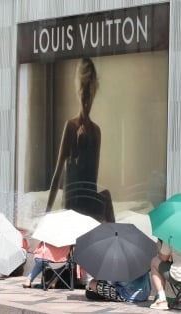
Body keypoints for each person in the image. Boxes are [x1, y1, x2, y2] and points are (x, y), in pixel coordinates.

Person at [45, 58, 115, 223]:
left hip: (87, 196)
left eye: (89, 97)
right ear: (78, 94)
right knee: (103, 199)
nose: (86, 102)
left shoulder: (96, 131)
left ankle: (114, 238)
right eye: (84, 96)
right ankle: (112, 238)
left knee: (106, 197)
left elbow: (93, 178)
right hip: (73, 199)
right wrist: (47, 211)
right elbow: (58, 174)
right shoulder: (70, 126)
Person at [149, 239, 181, 310]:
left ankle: (162, 299)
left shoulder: (171, 235)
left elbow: (163, 258)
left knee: (155, 261)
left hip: (179, 277)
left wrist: (160, 251)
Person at [85, 272, 151, 303]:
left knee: (91, 284)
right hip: (145, 294)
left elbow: (111, 282)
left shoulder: (119, 262)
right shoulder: (139, 257)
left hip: (128, 295)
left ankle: (106, 296)